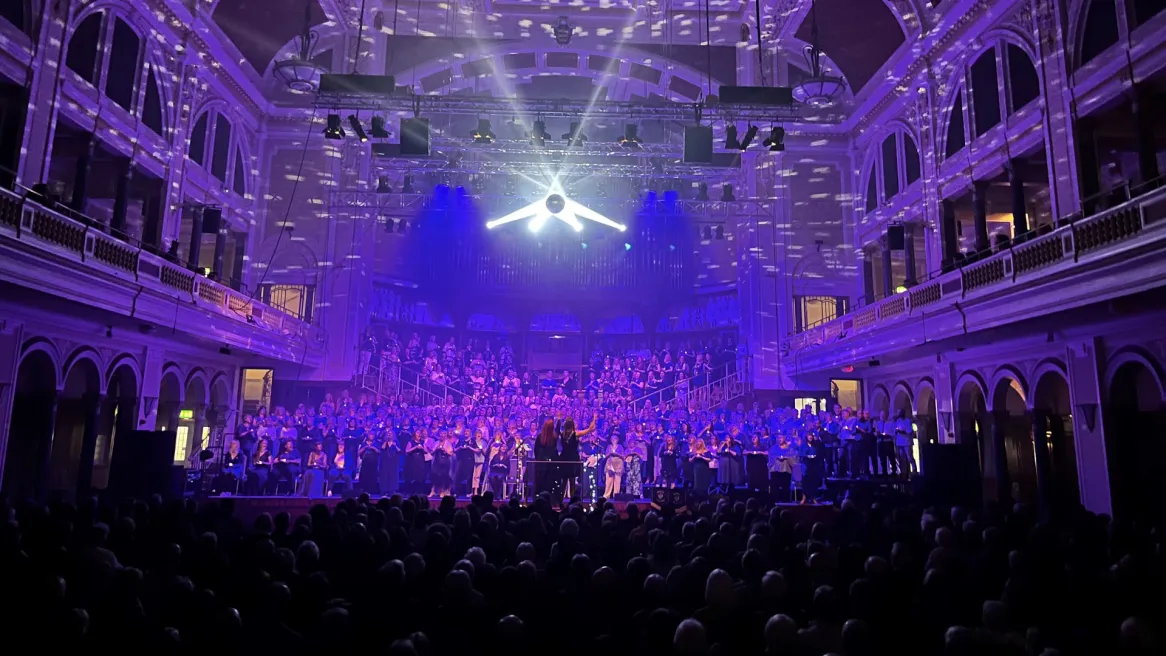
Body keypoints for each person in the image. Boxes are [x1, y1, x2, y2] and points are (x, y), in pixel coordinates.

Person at [558, 413, 597, 501]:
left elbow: (557, 430)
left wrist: (559, 418)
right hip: (572, 458)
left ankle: (560, 500)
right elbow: (590, 429)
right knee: (572, 480)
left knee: (563, 480)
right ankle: (572, 501)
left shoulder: (562, 434)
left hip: (564, 457)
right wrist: (594, 419)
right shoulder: (576, 434)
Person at [894, 409, 918, 477]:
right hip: (900, 442)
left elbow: (909, 431)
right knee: (902, 458)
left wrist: (901, 431)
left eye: (900, 413)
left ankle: (914, 470)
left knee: (909, 457)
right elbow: (895, 430)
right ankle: (903, 471)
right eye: (898, 413)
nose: (899, 414)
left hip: (907, 443)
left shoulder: (908, 421)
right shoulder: (897, 421)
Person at [603, 433, 625, 499]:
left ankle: (616, 495)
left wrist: (617, 454)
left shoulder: (620, 446)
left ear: (617, 440)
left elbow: (623, 456)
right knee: (608, 481)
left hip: (618, 464)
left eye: (615, 438)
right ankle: (607, 495)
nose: (614, 440)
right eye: (612, 438)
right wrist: (610, 454)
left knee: (617, 481)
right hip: (610, 464)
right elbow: (606, 456)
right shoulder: (609, 446)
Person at [378, 428, 401, 495]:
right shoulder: (383, 441)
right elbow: (382, 448)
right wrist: (386, 441)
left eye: (391, 434)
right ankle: (384, 490)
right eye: (388, 434)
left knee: (393, 475)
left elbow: (399, 451)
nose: (390, 435)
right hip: (385, 461)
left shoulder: (396, 442)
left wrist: (395, 445)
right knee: (384, 475)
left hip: (393, 462)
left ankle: (392, 490)